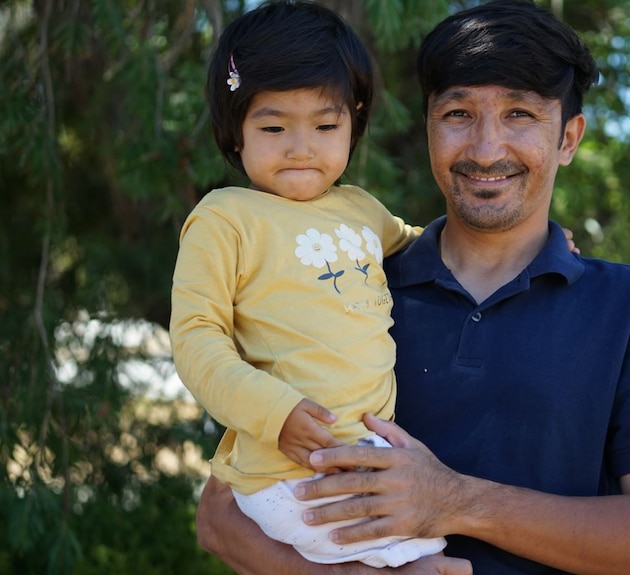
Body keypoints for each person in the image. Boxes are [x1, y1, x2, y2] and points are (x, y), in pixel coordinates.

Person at [194, 1, 630, 574]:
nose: (486, 149)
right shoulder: (341, 285)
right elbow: (221, 515)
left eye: (519, 114)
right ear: (428, 129)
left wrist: (456, 502)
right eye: (459, 114)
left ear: (569, 138)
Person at [169, 0, 448, 568]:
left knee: (430, 547)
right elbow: (196, 338)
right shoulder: (226, 218)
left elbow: (424, 246)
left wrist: (528, 240)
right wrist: (275, 413)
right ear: (235, 129)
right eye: (273, 126)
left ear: (354, 121)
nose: (301, 146)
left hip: (368, 455)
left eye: (325, 125)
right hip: (290, 465)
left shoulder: (360, 209)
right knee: (421, 561)